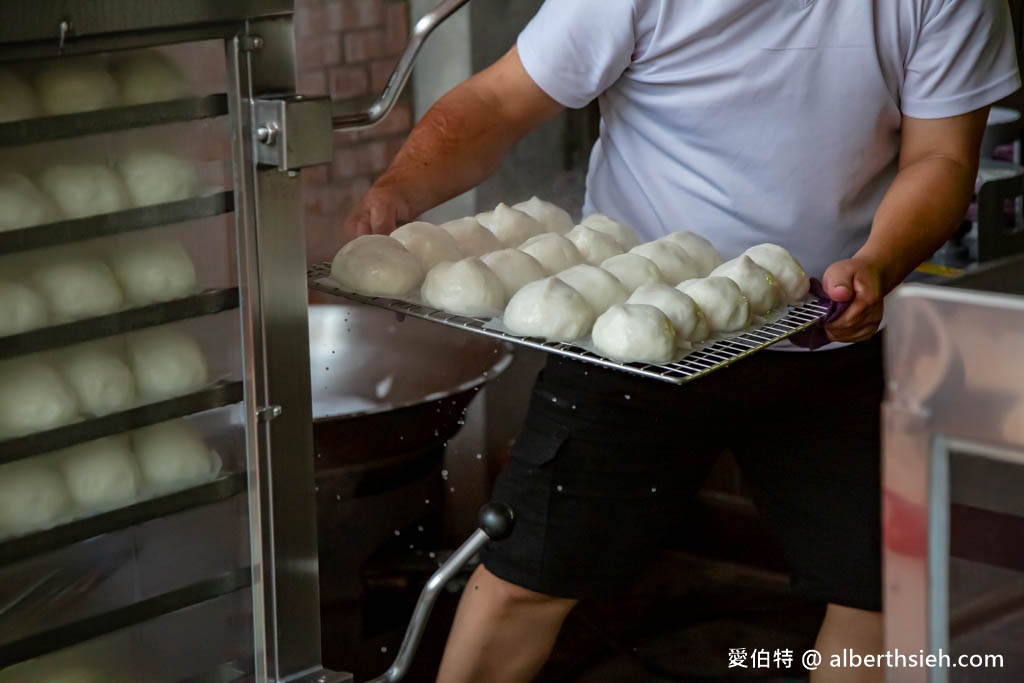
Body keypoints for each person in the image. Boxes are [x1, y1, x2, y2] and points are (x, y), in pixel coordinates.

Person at [344, 1, 1020, 681]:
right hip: (631, 335)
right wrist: (401, 187)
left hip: (829, 332)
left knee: (883, 594)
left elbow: (940, 154)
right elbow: (499, 100)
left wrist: (879, 261)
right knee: (528, 578)